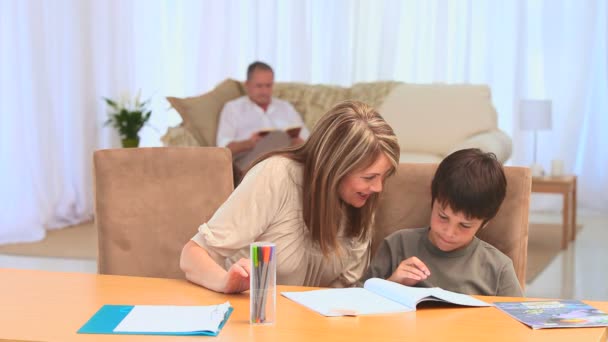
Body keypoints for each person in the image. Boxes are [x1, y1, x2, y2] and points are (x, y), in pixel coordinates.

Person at [180, 100, 400, 293]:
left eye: (384, 177)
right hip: (250, 321)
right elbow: (193, 255)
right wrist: (226, 283)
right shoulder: (276, 175)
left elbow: (343, 291)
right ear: (335, 166)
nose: (378, 188)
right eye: (369, 177)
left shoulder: (361, 199)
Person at [363, 148, 523, 297]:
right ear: (433, 201)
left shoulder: (498, 269)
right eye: (443, 216)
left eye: (464, 225)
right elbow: (361, 308)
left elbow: (519, 323)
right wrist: (392, 283)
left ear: (485, 222)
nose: (449, 232)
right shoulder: (397, 245)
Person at [216, 61, 310, 175]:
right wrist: (249, 143)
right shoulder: (233, 108)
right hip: (247, 160)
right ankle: (248, 176)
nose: (264, 91)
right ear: (247, 85)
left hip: (284, 160)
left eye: (268, 85)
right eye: (259, 86)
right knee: (278, 136)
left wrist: (298, 142)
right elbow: (223, 150)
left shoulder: (285, 107)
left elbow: (308, 141)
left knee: (286, 144)